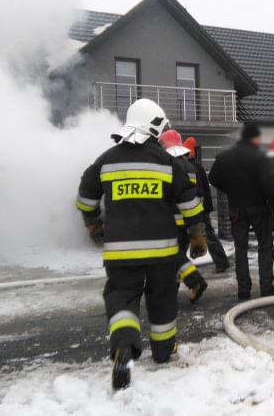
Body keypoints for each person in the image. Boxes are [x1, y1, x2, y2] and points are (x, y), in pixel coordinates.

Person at [76, 98, 207, 390]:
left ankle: (123, 347)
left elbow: (85, 193)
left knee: (122, 297)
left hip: (120, 252)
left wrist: (93, 222)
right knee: (161, 299)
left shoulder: (106, 160)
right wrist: (197, 234)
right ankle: (163, 351)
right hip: (162, 251)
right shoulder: (166, 162)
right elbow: (189, 200)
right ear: (155, 125)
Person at [209, 122, 274, 300]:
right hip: (258, 207)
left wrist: (230, 190)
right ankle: (266, 287)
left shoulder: (224, 156)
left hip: (236, 209)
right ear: (255, 137)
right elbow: (269, 185)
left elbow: (213, 178)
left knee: (240, 249)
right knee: (265, 246)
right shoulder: (259, 157)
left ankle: (244, 290)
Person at [159, 130, 208, 304]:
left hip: (170, 221)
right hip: (189, 221)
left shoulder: (168, 166)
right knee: (176, 257)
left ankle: (195, 282)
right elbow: (199, 195)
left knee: (173, 257)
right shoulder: (190, 166)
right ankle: (172, 293)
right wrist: (197, 228)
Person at [184, 136, 230, 272]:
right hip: (202, 207)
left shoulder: (191, 168)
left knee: (207, 236)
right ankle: (222, 262)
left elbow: (197, 190)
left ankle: (221, 263)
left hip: (198, 208)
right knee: (208, 235)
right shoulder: (197, 166)